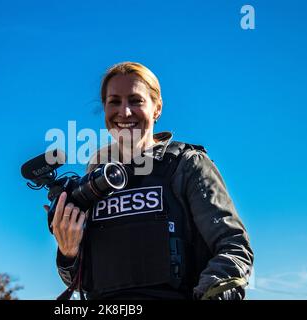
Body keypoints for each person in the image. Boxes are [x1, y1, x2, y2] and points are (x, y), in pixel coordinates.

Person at [44, 62, 254, 300]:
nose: (124, 112)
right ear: (104, 109)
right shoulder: (92, 182)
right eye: (114, 101)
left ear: (157, 108)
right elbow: (80, 283)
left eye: (136, 100)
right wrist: (68, 252)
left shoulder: (185, 165)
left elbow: (234, 248)